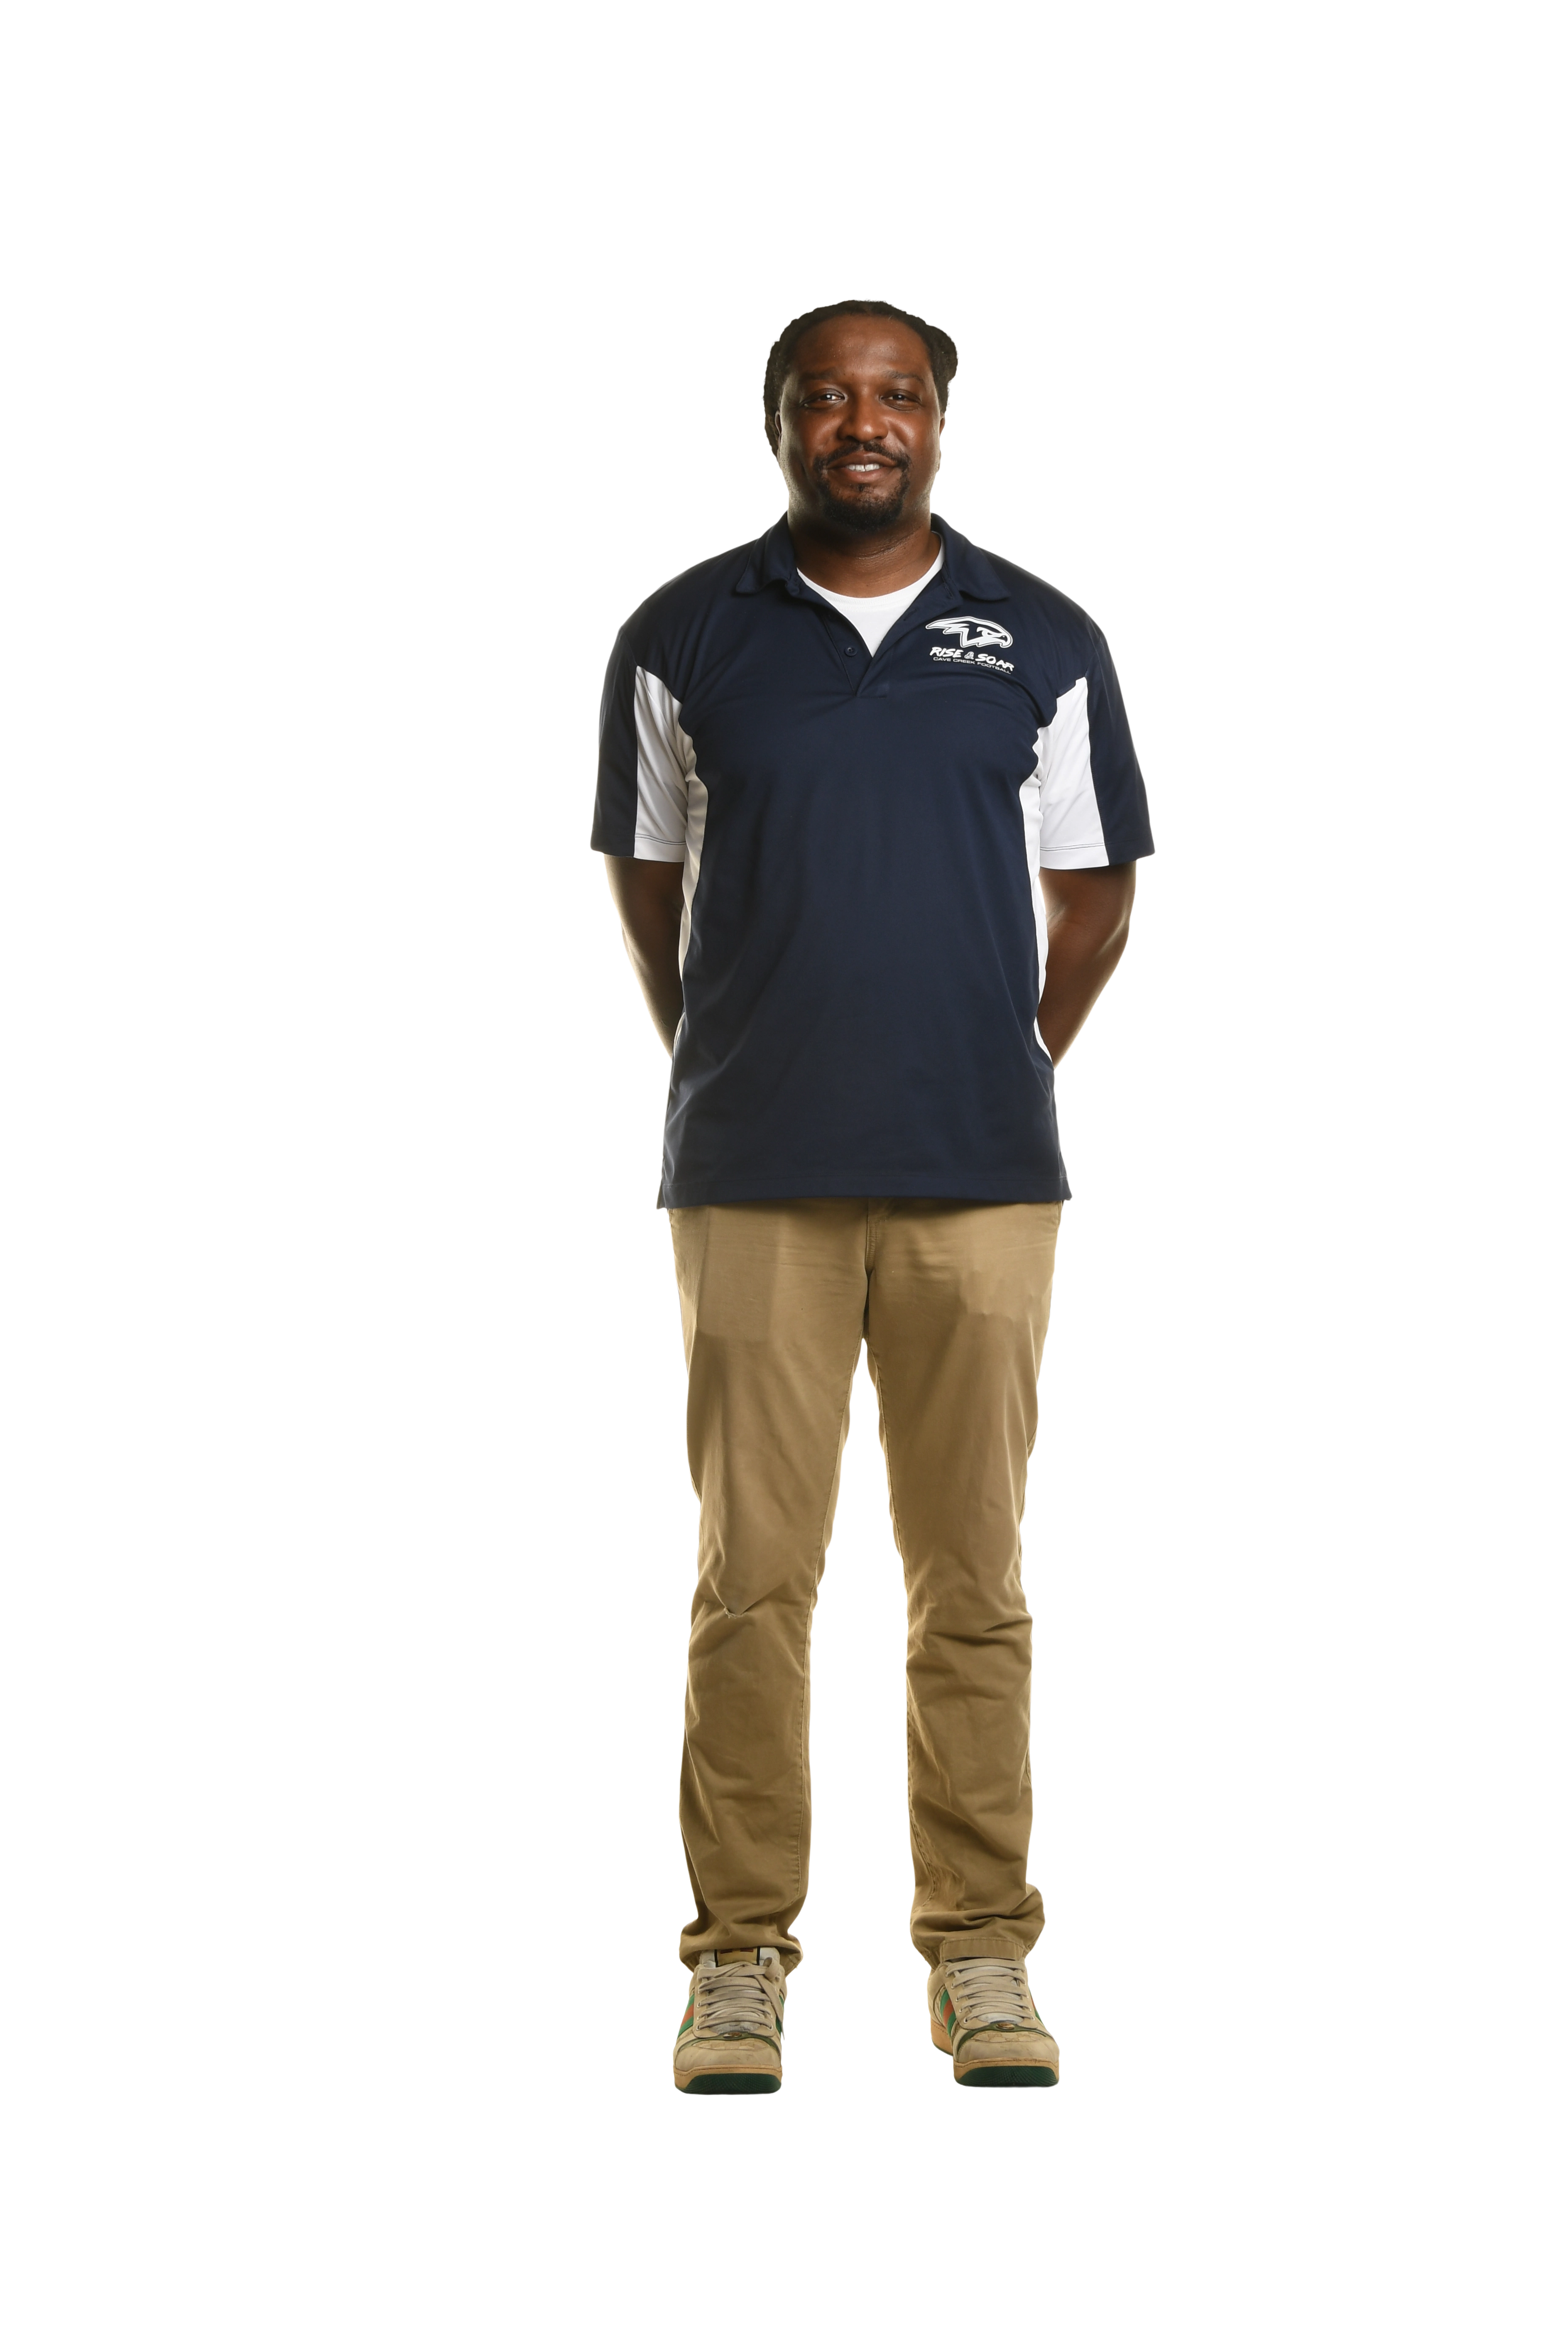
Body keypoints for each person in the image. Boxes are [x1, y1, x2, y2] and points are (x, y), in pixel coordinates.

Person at [591, 297, 1154, 2095]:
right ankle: (738, 1964)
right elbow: (649, 879)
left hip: (980, 1178)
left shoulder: (1042, 637)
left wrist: (1006, 1052)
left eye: (895, 394)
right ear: (774, 420)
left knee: (971, 1581)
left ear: (940, 419)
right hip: (750, 1175)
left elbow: (1096, 891)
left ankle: (980, 1955)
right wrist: (725, 1050)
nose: (861, 422)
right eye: (823, 395)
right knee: (751, 1585)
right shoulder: (682, 633)